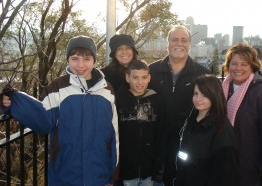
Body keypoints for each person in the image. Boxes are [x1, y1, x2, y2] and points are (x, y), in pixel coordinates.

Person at [0, 35, 119, 186]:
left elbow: (114, 135)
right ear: (68, 59)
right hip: (65, 174)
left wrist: (112, 175)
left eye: (87, 59)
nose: (80, 64)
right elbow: (42, 119)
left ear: (94, 60)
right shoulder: (57, 87)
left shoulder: (107, 89)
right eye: (75, 58)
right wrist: (14, 101)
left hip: (99, 174)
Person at [148, 25, 210, 185]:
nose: (179, 43)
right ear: (167, 42)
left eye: (184, 40)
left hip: (189, 142)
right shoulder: (151, 72)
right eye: (174, 39)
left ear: (190, 44)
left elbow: (211, 108)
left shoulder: (202, 73)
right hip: (156, 142)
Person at [222, 43, 262, 186]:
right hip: (224, 164)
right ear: (228, 65)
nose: (238, 68)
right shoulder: (223, 88)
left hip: (249, 168)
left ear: (253, 66)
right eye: (234, 63)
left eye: (244, 64)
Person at [175, 74, 239, 186]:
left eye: (204, 95)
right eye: (195, 93)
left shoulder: (221, 129)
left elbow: (225, 174)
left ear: (214, 95)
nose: (198, 99)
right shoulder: (188, 120)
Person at [115, 59, 165, 186]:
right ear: (127, 78)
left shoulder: (157, 100)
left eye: (143, 77)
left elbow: (161, 134)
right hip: (126, 170)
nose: (140, 82)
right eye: (135, 77)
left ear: (149, 78)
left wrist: (158, 167)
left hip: (149, 171)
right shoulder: (118, 100)